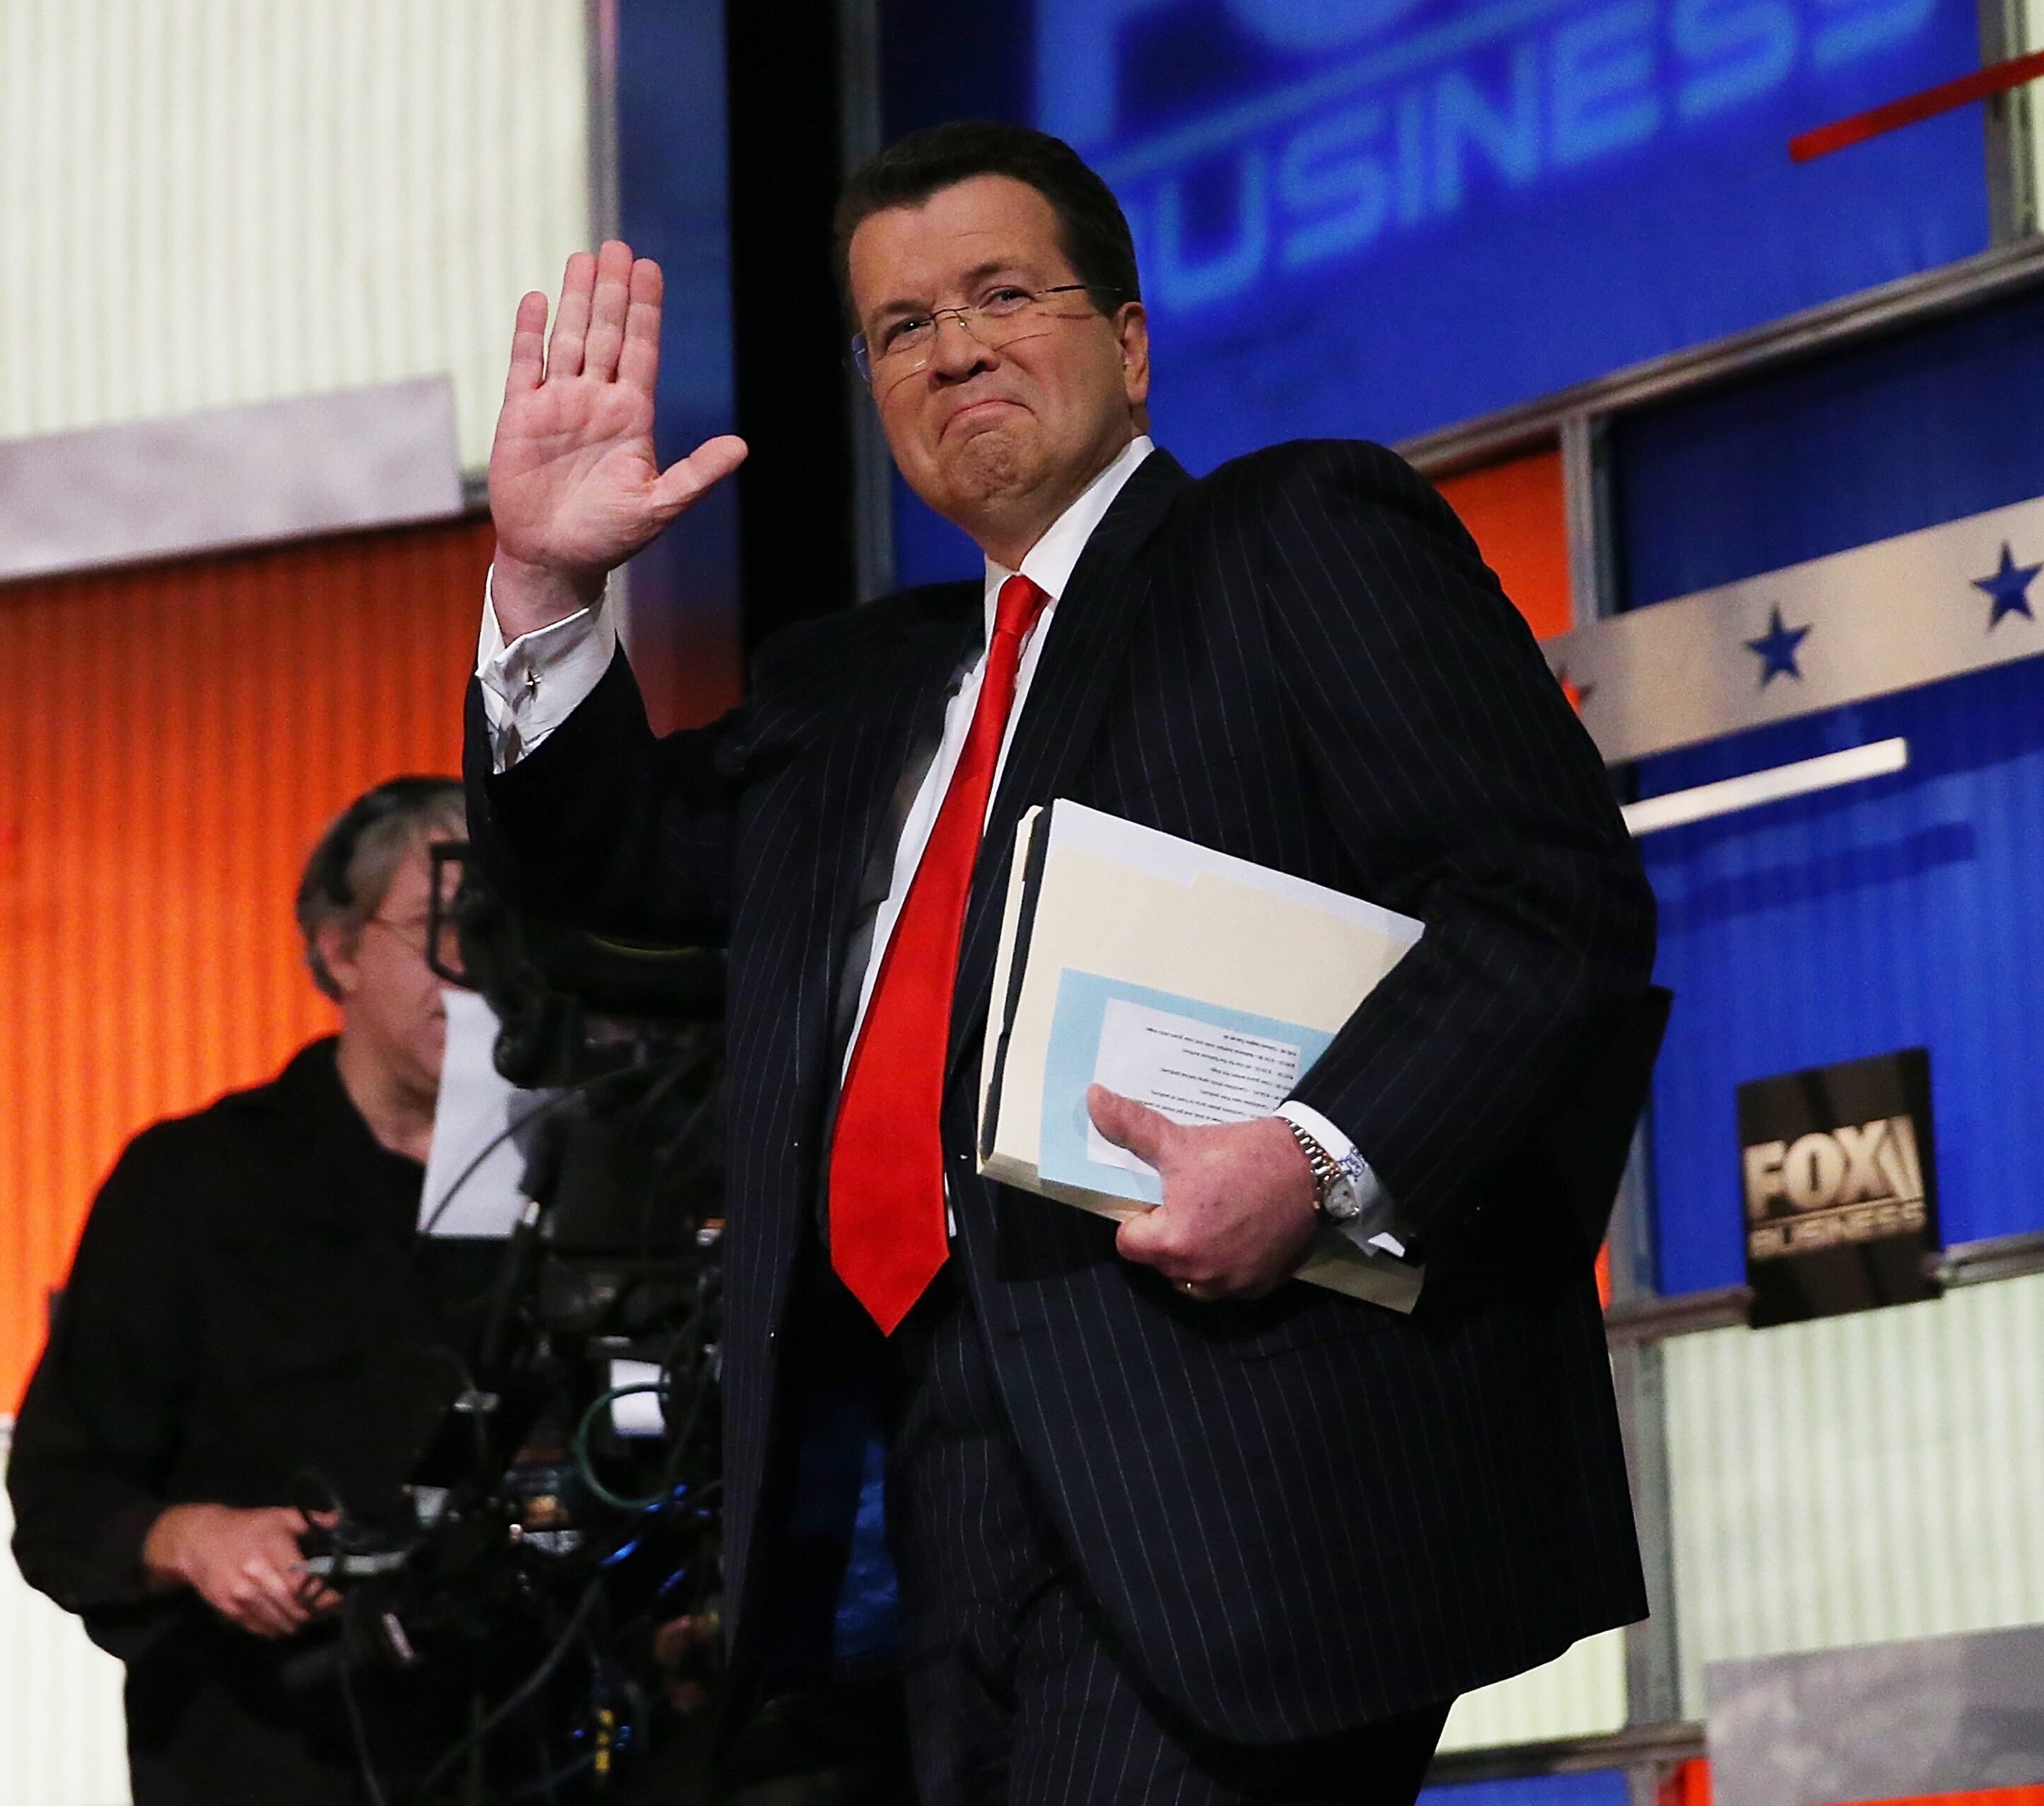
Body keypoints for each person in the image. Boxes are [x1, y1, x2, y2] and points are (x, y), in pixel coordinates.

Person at [463, 121, 1665, 1805]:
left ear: (1130, 338)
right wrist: (546, 576)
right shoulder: (854, 691)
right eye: (901, 326)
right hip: (921, 1475)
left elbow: (1550, 909)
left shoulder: (1292, 537)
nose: (952, 346)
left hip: (1238, 1453)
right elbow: (605, 870)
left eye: (1001, 292)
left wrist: (1315, 1161)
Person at [8, 776, 482, 1806]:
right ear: (340, 949)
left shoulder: (588, 1178)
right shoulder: (193, 1187)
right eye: (440, 928)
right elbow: (59, 1499)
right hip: (271, 1756)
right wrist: (195, 1539)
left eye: (504, 930)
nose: (477, 968)